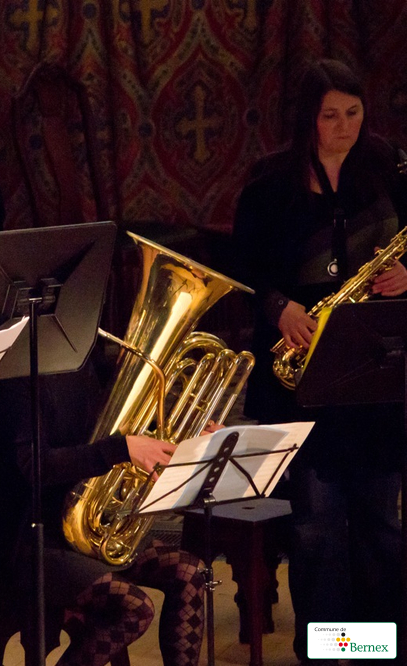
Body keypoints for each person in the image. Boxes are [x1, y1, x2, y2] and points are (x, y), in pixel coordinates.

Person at [231, 58, 407, 663]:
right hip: (301, 382)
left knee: (383, 526)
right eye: (330, 115)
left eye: (353, 113)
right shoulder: (268, 187)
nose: (344, 126)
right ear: (307, 118)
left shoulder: (388, 169)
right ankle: (331, 653)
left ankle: (379, 649)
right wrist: (279, 308)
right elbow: (242, 272)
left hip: (376, 378)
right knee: (316, 530)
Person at [0, 363, 206, 666]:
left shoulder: (83, 359)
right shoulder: (13, 375)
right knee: (136, 609)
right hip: (27, 540)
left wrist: (189, 435)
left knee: (190, 573)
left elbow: (114, 427)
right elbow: (34, 466)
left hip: (85, 525)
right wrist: (120, 449)